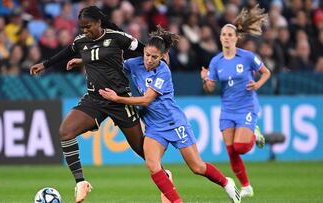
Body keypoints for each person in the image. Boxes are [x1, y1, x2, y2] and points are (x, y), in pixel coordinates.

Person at [99, 27, 241, 203]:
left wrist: (117, 99)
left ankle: (226, 182)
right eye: (147, 55)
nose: (149, 60)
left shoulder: (163, 71)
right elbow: (111, 64)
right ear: (143, 51)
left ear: (162, 57)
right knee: (152, 164)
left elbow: (146, 100)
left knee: (197, 167)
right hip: (154, 128)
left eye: (155, 57)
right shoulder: (134, 64)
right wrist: (83, 61)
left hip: (175, 123)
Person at [30, 6, 147, 203]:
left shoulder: (117, 37)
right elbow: (68, 51)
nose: (85, 31)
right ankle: (80, 183)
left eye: (88, 26)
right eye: (82, 27)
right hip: (94, 99)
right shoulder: (81, 41)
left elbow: (144, 50)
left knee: (143, 151)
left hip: (119, 99)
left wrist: (160, 58)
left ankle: (164, 178)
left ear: (99, 23)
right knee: (65, 132)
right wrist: (45, 64)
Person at [200, 5, 271, 199]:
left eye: (230, 34)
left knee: (240, 147)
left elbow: (266, 72)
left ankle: (254, 135)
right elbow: (210, 89)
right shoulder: (216, 61)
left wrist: (257, 84)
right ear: (220, 38)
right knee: (231, 151)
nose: (226, 37)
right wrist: (206, 79)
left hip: (247, 106)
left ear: (236, 37)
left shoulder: (247, 57)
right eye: (223, 34)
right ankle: (246, 186)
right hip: (227, 109)